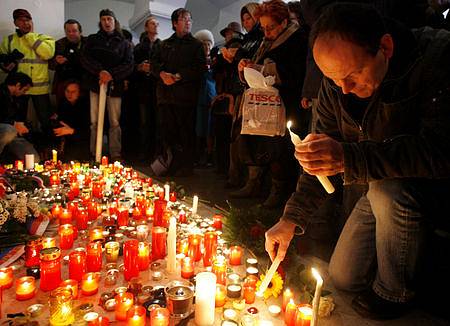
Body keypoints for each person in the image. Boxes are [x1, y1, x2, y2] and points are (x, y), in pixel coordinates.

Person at [264, 2, 450, 320]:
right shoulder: (336, 86)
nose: (344, 89)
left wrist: (350, 157)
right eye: (334, 80)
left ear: (386, 47)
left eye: (352, 75)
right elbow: (319, 159)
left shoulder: (436, 57)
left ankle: (396, 292)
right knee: (342, 278)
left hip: (428, 192)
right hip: (373, 189)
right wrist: (291, 218)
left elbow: (441, 150)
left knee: (386, 190)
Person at [231, 0, 308, 208]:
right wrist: (244, 67)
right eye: (263, 27)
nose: (266, 32)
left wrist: (262, 69)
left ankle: (280, 193)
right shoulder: (266, 42)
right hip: (265, 107)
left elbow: (295, 73)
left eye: (270, 27)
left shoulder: (297, 38)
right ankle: (257, 185)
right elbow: (257, 67)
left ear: (284, 22)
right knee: (264, 146)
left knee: (281, 150)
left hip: (288, 105)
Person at [151, 8, 206, 176]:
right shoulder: (164, 44)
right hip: (166, 97)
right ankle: (169, 164)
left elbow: (200, 68)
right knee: (168, 132)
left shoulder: (196, 45)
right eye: (184, 19)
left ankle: (186, 167)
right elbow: (153, 64)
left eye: (190, 19)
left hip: (186, 98)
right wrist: (162, 74)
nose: (188, 22)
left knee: (186, 133)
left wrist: (179, 76)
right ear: (175, 23)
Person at [0, 9, 55, 157]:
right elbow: (3, 61)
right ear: (15, 23)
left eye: (28, 20)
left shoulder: (43, 38)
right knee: (18, 122)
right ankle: (20, 154)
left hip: (40, 89)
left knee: (45, 122)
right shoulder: (9, 40)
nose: (25, 23)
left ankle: (50, 152)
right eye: (21, 21)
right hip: (18, 90)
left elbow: (47, 53)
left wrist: (29, 37)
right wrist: (6, 66)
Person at [81, 9, 133, 162]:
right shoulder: (92, 40)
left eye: (109, 19)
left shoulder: (123, 43)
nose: (106, 22)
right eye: (103, 19)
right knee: (95, 122)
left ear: (114, 21)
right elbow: (84, 58)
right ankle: (94, 154)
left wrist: (111, 74)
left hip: (114, 87)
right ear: (100, 22)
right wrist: (100, 71)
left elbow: (129, 64)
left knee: (115, 122)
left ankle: (116, 154)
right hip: (95, 85)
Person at [226, 2, 264, 189]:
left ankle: (252, 181)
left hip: (256, 92)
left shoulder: (263, 37)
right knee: (237, 135)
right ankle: (236, 177)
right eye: (243, 19)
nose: (246, 22)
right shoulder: (247, 39)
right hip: (241, 91)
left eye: (249, 17)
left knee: (250, 135)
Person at [133, 16, 161, 160]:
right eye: (152, 24)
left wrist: (153, 69)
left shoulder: (162, 46)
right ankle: (144, 152)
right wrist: (139, 67)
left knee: (157, 121)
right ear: (146, 27)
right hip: (143, 90)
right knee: (144, 122)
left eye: (157, 24)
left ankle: (156, 153)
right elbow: (131, 67)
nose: (155, 26)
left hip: (157, 90)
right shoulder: (138, 48)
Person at [0, 72, 39, 162]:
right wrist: (13, 124)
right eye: (24, 90)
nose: (24, 93)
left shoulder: (16, 98)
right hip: (6, 131)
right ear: (18, 85)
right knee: (9, 130)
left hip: (13, 134)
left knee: (33, 159)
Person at [49, 80, 90, 161]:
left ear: (79, 92)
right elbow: (57, 118)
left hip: (81, 143)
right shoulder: (63, 103)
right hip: (66, 140)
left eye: (73, 92)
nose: (69, 94)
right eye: (67, 91)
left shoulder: (85, 106)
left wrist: (71, 131)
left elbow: (87, 131)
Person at [49, 19, 86, 104]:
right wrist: (56, 61)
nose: (71, 34)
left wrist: (71, 60)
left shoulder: (88, 43)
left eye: (74, 31)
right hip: (63, 82)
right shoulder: (59, 44)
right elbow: (50, 65)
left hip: (83, 82)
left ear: (80, 31)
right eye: (68, 31)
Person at [194, 29, 216, 167]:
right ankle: (197, 156)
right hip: (198, 97)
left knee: (210, 129)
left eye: (208, 44)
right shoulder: (195, 61)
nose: (206, 47)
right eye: (203, 44)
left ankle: (209, 157)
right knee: (198, 128)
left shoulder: (215, 61)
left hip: (212, 98)